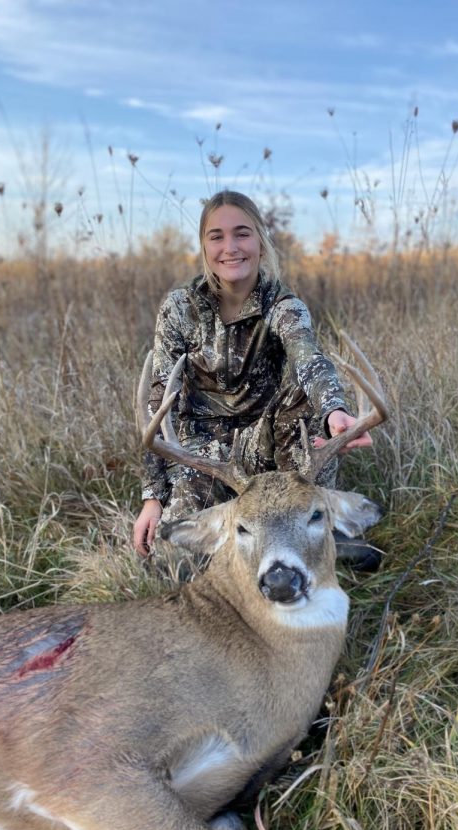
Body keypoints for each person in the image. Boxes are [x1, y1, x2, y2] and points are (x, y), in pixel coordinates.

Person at [133, 190, 377, 566]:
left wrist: (334, 410)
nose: (230, 247)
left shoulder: (283, 306)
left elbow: (308, 358)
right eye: (217, 236)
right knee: (174, 563)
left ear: (261, 242)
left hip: (267, 446)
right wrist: (154, 496)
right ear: (204, 247)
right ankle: (275, 544)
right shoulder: (180, 308)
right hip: (202, 455)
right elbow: (159, 402)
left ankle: (320, 527)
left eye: (242, 233)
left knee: (302, 398)